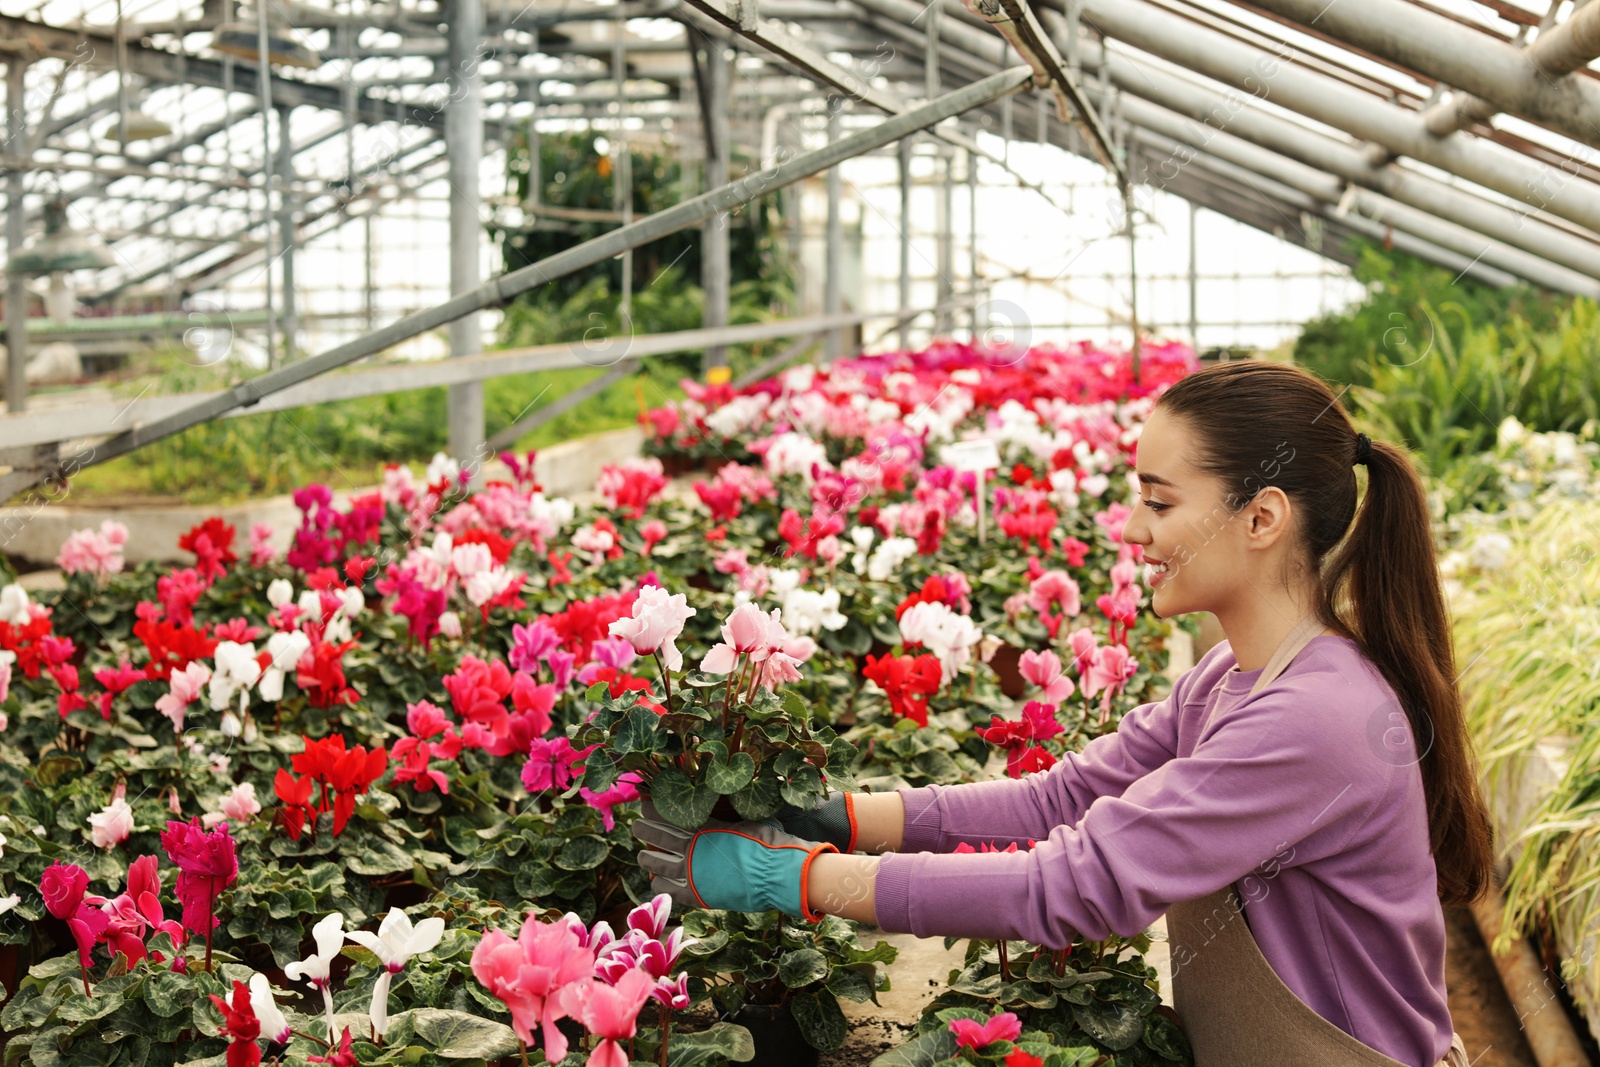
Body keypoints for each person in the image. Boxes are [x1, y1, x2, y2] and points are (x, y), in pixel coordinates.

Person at [634, 360, 1493, 1067]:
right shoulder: (1235, 675)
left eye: (1160, 502)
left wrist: (794, 878)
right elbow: (1059, 800)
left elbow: (1073, 886)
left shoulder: (1314, 717)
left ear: (1262, 516)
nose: (1131, 527)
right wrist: (847, 816)